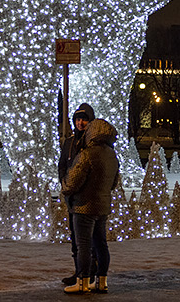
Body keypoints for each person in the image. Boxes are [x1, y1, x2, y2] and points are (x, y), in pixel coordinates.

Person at [61, 118, 121, 294]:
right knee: (101, 244)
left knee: (84, 246)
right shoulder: (112, 154)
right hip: (102, 206)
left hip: (83, 207)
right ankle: (101, 281)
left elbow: (72, 182)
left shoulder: (86, 154)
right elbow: (114, 182)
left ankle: (82, 282)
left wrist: (65, 187)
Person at [57, 103, 95, 286]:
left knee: (90, 240)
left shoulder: (93, 143)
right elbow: (62, 165)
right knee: (75, 240)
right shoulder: (69, 143)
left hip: (88, 198)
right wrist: (65, 186)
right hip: (72, 197)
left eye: (84, 120)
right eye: (78, 119)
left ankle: (89, 273)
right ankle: (79, 272)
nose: (80, 123)